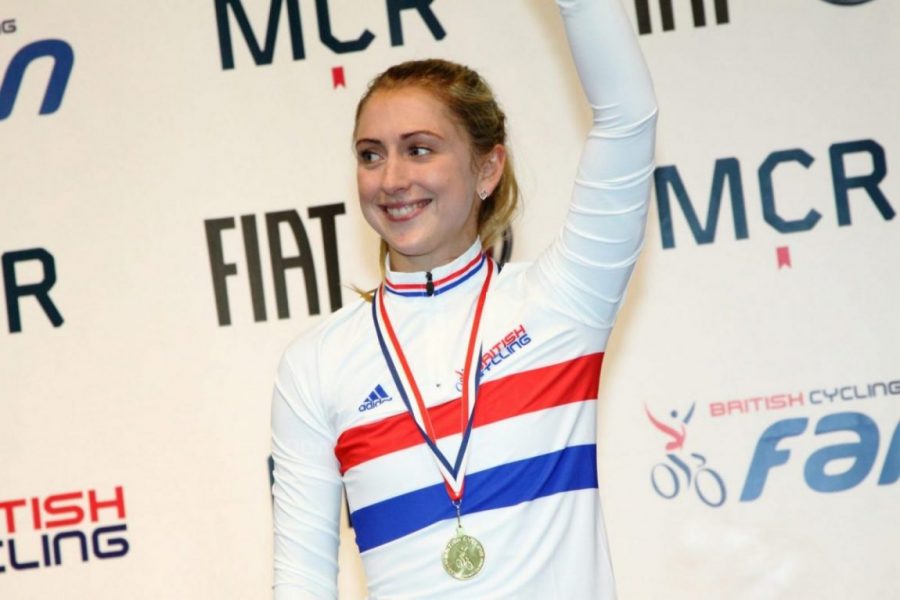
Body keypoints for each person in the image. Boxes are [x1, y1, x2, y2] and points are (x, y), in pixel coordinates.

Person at [271, 0, 657, 597]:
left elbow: (628, 118)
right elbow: (302, 582)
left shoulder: (562, 303)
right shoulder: (315, 364)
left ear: (487, 168)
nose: (391, 179)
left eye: (419, 149)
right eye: (371, 154)